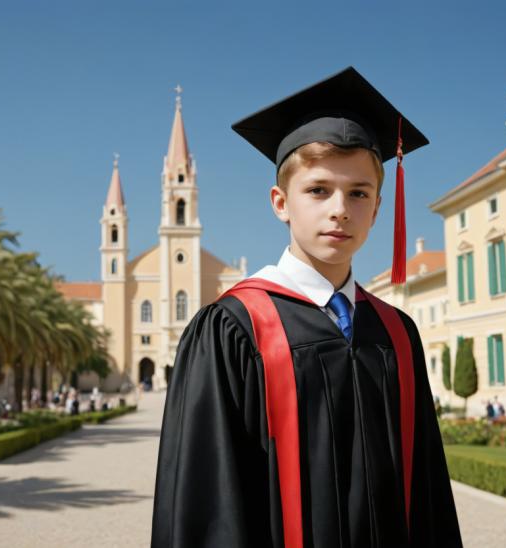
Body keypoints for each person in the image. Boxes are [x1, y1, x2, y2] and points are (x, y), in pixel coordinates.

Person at [152, 67, 462, 547]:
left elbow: (428, 493)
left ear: (378, 208)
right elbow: (209, 503)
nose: (340, 208)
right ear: (281, 202)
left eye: (358, 193)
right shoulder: (235, 328)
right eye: (318, 190)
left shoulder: (397, 333)